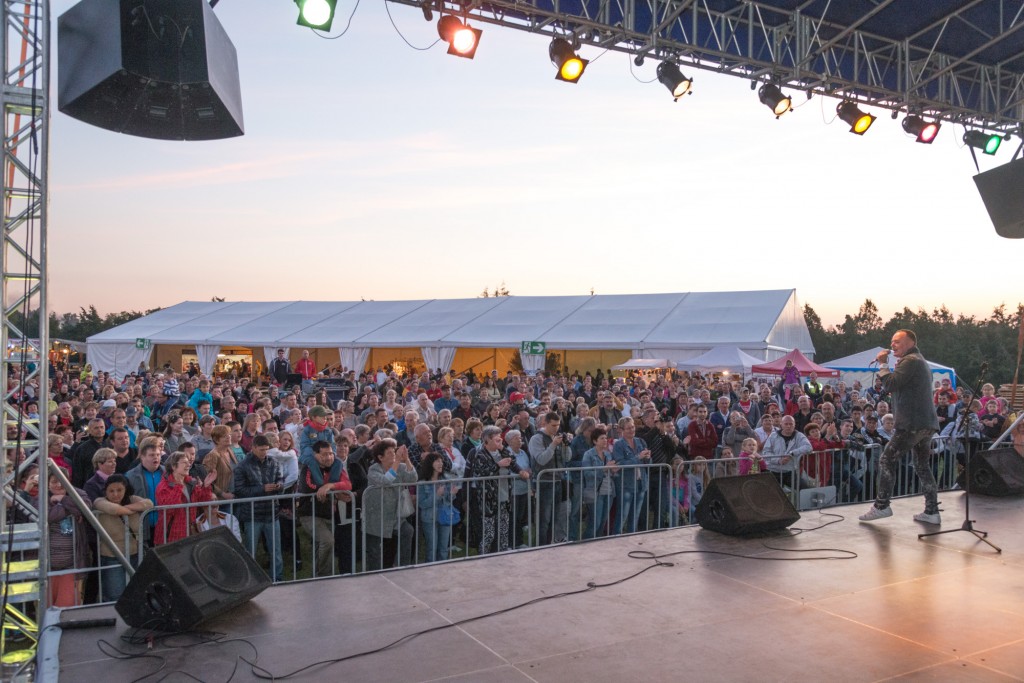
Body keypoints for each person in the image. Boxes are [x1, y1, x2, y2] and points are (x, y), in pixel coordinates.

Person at [860, 330, 942, 524]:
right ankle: (931, 511)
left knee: (886, 460)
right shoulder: (919, 361)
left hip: (912, 423)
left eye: (897, 341)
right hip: (925, 423)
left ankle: (882, 506)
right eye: (892, 341)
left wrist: (883, 365)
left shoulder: (911, 361)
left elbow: (890, 384)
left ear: (911, 342)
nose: (892, 345)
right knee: (922, 466)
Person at [92, 474, 152, 602]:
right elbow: (114, 510)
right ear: (105, 491)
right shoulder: (99, 502)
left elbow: (149, 503)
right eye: (111, 491)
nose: (115, 494)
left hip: (135, 554)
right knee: (115, 595)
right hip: (112, 557)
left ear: (126, 489)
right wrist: (132, 510)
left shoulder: (132, 499)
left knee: (137, 592)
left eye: (119, 490)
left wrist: (126, 508)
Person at [233, 434, 285, 581]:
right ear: (253, 448)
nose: (264, 452)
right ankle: (251, 580)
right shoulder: (242, 466)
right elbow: (240, 490)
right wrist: (262, 489)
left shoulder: (273, 462)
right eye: (262, 450)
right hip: (252, 515)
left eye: (266, 449)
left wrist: (279, 485)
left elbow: (280, 478)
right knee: (251, 552)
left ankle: (277, 578)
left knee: (276, 550)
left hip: (272, 513)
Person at [297, 439, 352, 577]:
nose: (328, 457)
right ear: (315, 455)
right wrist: (330, 492)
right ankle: (325, 575)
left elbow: (347, 484)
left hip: (327, 513)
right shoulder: (308, 468)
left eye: (330, 454)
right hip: (309, 513)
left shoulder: (336, 467)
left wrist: (330, 486)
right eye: (324, 454)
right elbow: (307, 487)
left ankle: (318, 576)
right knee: (327, 541)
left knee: (322, 545)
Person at [363, 438, 417, 570]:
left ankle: (403, 567)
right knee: (375, 549)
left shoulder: (401, 467)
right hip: (376, 516)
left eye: (394, 451)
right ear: (380, 457)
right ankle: (373, 573)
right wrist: (398, 461)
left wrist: (406, 459)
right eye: (390, 453)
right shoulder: (373, 470)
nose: (393, 454)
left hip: (395, 515)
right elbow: (385, 481)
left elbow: (413, 478)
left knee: (407, 531)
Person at [155, 451, 217, 545]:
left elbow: (203, 500)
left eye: (188, 462)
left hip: (189, 533)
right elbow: (170, 508)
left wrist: (206, 486)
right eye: (184, 462)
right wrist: (178, 485)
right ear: (173, 466)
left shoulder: (190, 483)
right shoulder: (164, 486)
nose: (189, 465)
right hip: (170, 536)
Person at [416, 450, 459, 562]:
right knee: (432, 548)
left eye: (441, 461)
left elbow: (448, 501)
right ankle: (430, 569)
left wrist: (452, 494)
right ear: (430, 464)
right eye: (437, 461)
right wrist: (437, 495)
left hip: (444, 517)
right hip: (430, 518)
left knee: (443, 548)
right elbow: (422, 504)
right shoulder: (422, 482)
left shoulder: (445, 479)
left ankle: (442, 569)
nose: (441, 463)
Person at [581, 426, 617, 539]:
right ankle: (586, 544)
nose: (605, 440)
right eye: (602, 438)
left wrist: (614, 471)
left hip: (609, 491)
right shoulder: (588, 454)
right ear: (595, 441)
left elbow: (611, 473)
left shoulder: (608, 454)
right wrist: (604, 469)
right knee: (595, 523)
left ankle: (597, 544)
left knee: (602, 522)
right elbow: (587, 474)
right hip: (595, 492)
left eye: (606, 438)